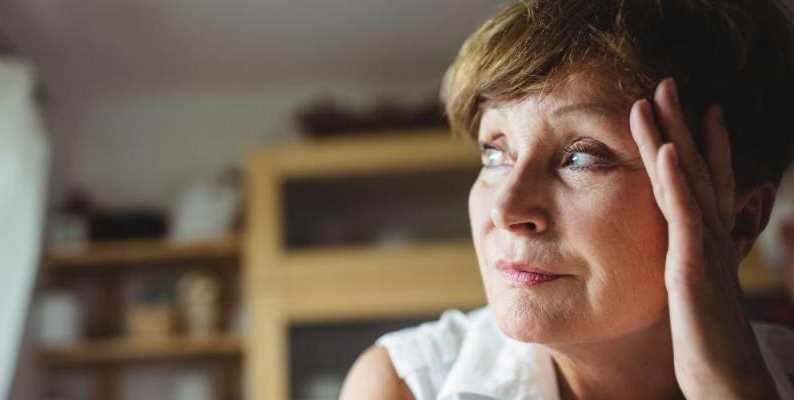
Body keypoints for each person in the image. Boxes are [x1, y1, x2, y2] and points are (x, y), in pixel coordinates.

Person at [339, 0, 794, 399]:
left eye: (581, 158)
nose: (506, 210)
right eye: (495, 152)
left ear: (739, 222)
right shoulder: (404, 385)